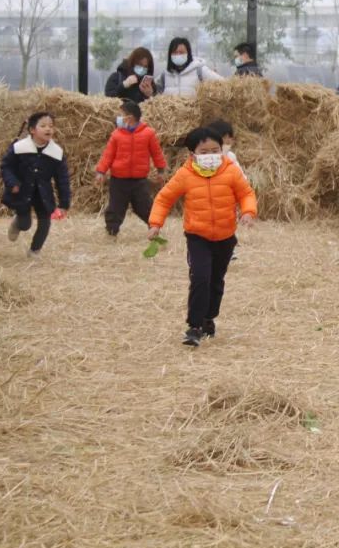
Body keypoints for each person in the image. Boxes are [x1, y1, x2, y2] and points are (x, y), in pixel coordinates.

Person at [148, 127, 257, 347]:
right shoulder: (185, 175)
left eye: (215, 150)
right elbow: (164, 199)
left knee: (216, 281)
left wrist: (248, 211)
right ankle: (194, 326)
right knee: (200, 278)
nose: (211, 156)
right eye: (204, 152)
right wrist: (155, 224)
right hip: (198, 237)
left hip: (225, 237)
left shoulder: (231, 171)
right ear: (192, 154)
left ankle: (209, 318)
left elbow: (246, 193)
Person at [0, 112, 71, 257]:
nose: (48, 129)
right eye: (43, 126)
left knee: (45, 222)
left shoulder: (56, 153)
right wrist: (12, 182)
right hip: (22, 190)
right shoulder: (19, 148)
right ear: (32, 130)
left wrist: (64, 204)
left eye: (51, 126)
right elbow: (6, 166)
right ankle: (18, 223)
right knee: (25, 225)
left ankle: (34, 250)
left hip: (43, 193)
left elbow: (62, 180)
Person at [94, 99, 167, 238]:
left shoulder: (148, 133)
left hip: (139, 181)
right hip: (118, 180)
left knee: (145, 206)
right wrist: (101, 171)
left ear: (130, 117)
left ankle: (154, 229)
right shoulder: (116, 135)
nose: (119, 118)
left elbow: (156, 153)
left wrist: (161, 170)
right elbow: (108, 155)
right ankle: (112, 232)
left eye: (121, 114)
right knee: (115, 207)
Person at [156, 37, 222, 97]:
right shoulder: (165, 74)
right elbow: (156, 94)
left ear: (188, 54)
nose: (178, 55)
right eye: (175, 52)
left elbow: (222, 83)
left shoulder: (200, 70)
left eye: (181, 52)